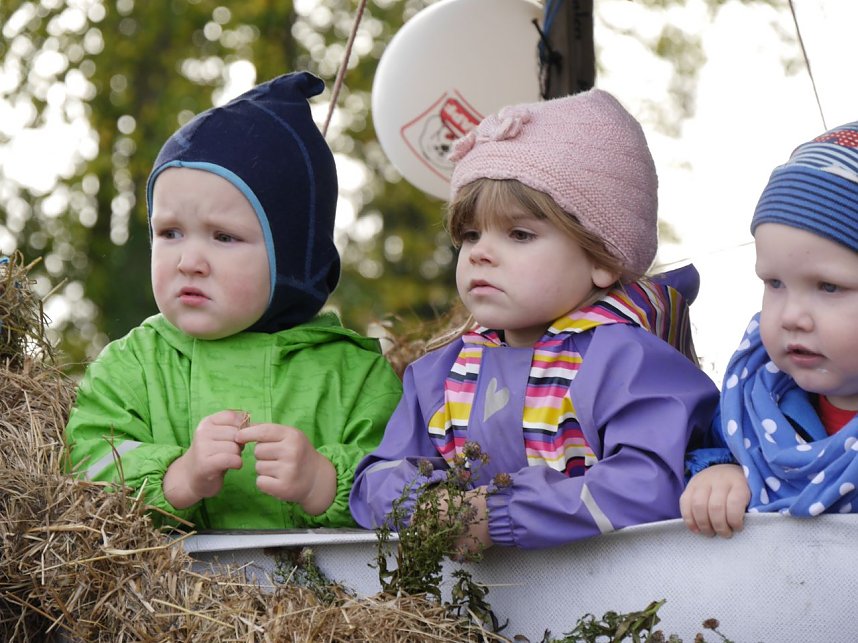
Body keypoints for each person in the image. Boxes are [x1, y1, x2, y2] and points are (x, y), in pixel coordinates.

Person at [348, 89, 719, 550]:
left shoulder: (630, 361)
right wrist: (427, 508)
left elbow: (650, 484)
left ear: (602, 258)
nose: (480, 253)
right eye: (469, 234)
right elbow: (376, 477)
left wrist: (499, 515)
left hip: (612, 602)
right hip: (472, 611)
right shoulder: (440, 375)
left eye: (519, 234)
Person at [64, 72, 402, 530]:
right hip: (165, 598)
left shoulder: (355, 375)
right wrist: (176, 477)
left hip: (332, 595)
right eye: (169, 233)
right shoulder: (131, 367)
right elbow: (85, 468)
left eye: (224, 237)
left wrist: (324, 482)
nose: (189, 261)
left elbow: (407, 480)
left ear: (293, 258)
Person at [681, 121, 858, 538]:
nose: (791, 315)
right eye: (774, 283)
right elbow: (715, 446)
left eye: (828, 286)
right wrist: (719, 471)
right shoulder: (752, 401)